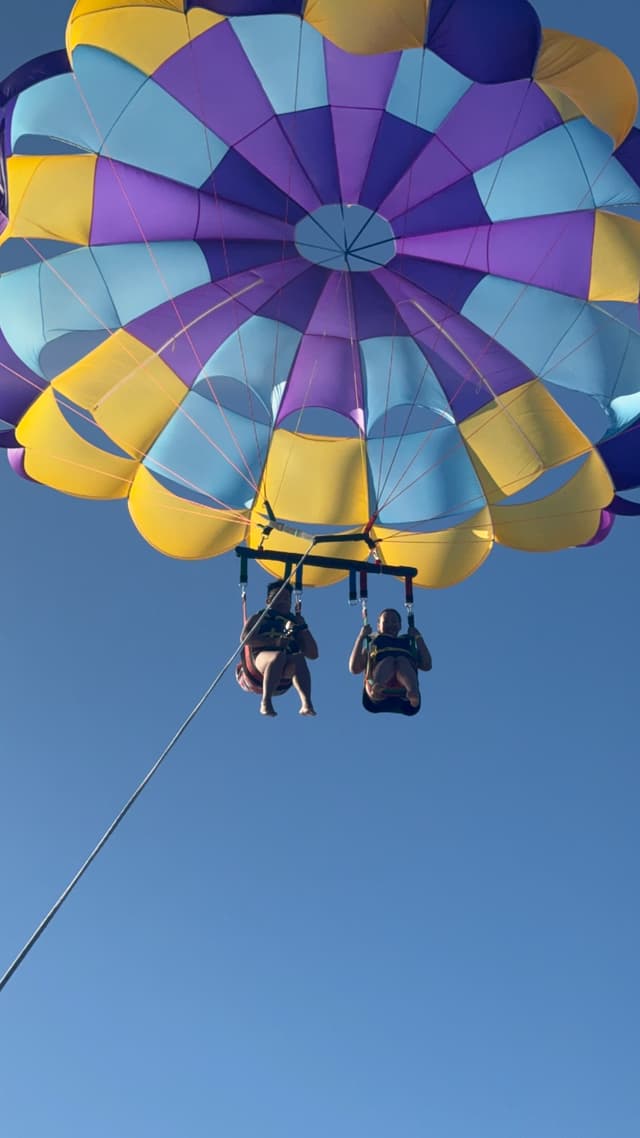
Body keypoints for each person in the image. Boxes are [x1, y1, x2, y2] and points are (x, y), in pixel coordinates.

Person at [242, 580, 319, 717]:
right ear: (268, 601)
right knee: (278, 656)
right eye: (278, 597)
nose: (283, 601)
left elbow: (313, 654)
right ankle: (265, 702)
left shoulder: (294, 622)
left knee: (298, 658)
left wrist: (303, 627)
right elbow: (245, 639)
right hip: (261, 659)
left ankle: (306, 703)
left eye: (287, 598)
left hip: (287, 667)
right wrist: (274, 641)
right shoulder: (260, 616)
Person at [348, 608, 432, 708]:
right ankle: (377, 687)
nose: (390, 624)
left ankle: (412, 691)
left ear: (400, 625)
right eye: (386, 621)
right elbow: (354, 668)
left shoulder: (407, 642)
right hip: (379, 680)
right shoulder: (373, 641)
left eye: (394, 621)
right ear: (378, 626)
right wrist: (361, 636)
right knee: (389, 660)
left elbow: (427, 665)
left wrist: (418, 637)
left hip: (404, 683)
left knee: (401, 661)